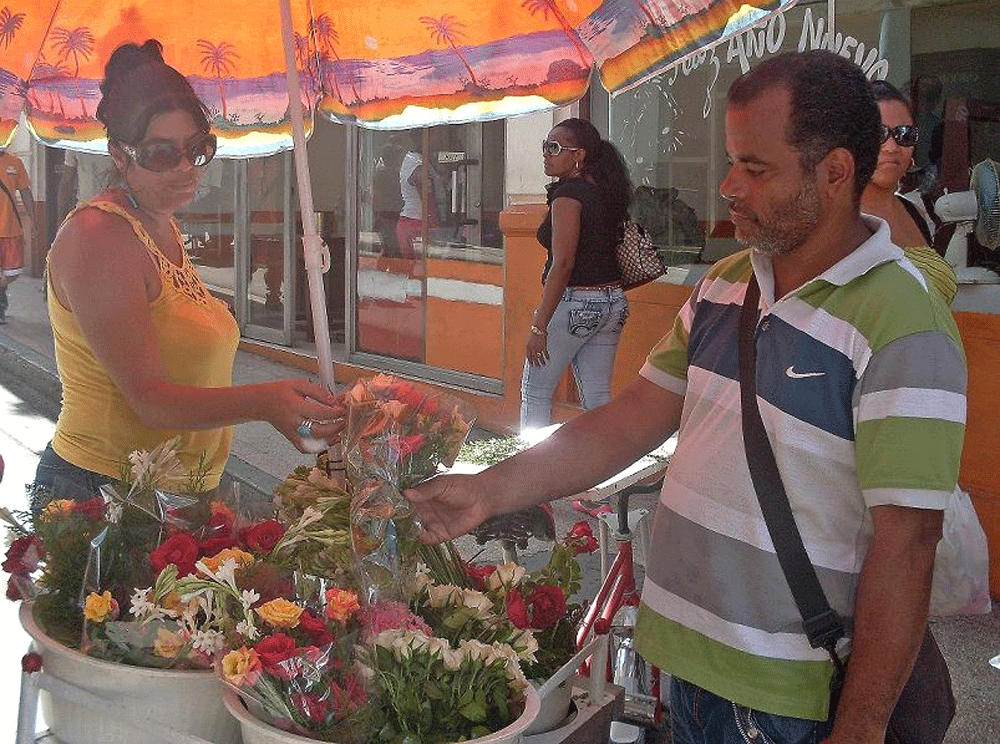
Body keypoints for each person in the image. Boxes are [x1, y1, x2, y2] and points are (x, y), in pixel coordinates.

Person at [409, 50, 966, 744]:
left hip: (789, 698)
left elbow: (907, 545)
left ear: (833, 172)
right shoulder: (725, 286)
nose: (729, 186)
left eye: (755, 169)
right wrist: (491, 489)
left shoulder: (903, 323)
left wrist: (860, 727)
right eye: (732, 160)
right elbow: (628, 420)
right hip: (679, 668)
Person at [34, 39, 343, 505]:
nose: (186, 168)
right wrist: (266, 401)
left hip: (176, 491)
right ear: (120, 154)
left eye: (198, 149)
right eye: (162, 154)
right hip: (103, 493)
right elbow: (152, 400)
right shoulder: (98, 236)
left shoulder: (161, 226)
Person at [520, 118, 632, 430]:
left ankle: (532, 475)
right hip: (613, 302)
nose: (546, 154)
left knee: (536, 392)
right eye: (545, 146)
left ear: (577, 155)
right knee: (597, 397)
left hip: (577, 302)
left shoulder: (568, 195)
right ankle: (605, 466)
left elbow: (564, 262)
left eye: (554, 148)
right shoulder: (606, 191)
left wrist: (539, 326)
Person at [861, 79, 957, 304]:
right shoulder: (838, 223)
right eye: (878, 134)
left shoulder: (914, 212)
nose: (892, 147)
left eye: (904, 134)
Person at [0, 147, 36, 324]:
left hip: (11, 228)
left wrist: (33, 220)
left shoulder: (15, 163)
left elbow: (25, 192)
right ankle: (1, 309)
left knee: (13, 272)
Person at [396, 132, 438, 259]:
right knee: (420, 269)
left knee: (415, 271)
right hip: (417, 223)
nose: (438, 139)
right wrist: (433, 220)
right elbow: (426, 195)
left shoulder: (413, 159)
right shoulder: (417, 163)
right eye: (435, 134)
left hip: (410, 222)